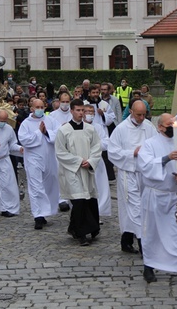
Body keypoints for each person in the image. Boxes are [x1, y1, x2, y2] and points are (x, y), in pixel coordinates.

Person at [138, 113, 177, 289]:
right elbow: (144, 165)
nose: (173, 127)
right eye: (169, 124)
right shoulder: (150, 145)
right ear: (160, 126)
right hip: (156, 197)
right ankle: (149, 266)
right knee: (154, 235)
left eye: (175, 124)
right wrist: (166, 159)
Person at [108, 99, 156, 254]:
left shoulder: (149, 127)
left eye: (144, 114)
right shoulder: (121, 129)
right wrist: (132, 153)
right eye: (139, 115)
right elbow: (112, 152)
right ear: (131, 112)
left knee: (144, 207)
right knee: (134, 208)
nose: (142, 118)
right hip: (128, 173)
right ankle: (144, 245)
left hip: (145, 174)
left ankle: (127, 240)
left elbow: (157, 145)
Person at [55, 99, 103, 246]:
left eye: (83, 110)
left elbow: (97, 147)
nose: (81, 113)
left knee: (89, 199)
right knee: (79, 200)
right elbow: (60, 152)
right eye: (78, 110)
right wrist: (78, 161)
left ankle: (74, 228)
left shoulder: (90, 129)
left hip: (87, 170)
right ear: (71, 111)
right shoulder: (64, 130)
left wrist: (91, 161)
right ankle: (81, 234)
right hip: (72, 171)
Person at [18, 97, 61, 229]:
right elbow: (24, 140)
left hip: (49, 158)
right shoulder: (26, 123)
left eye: (42, 107)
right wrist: (39, 132)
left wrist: (47, 132)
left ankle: (45, 212)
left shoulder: (51, 121)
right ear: (31, 108)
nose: (40, 110)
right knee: (35, 187)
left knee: (49, 184)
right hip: (33, 159)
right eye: (37, 107)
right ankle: (38, 215)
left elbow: (59, 134)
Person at [83, 103, 112, 218]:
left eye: (92, 112)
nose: (90, 114)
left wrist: (94, 145)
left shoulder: (98, 127)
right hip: (83, 162)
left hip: (97, 162)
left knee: (99, 186)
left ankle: (98, 212)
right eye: (87, 112)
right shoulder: (78, 126)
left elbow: (106, 142)